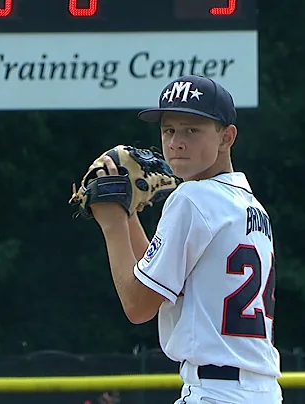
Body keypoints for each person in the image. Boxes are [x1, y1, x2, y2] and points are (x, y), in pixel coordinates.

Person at [87, 75, 282, 403]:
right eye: (169, 130)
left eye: (192, 130)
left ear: (226, 137)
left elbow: (138, 306)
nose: (177, 142)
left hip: (214, 391)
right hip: (259, 392)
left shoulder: (192, 198)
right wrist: (130, 215)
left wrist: (112, 222)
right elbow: (157, 280)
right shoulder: (249, 205)